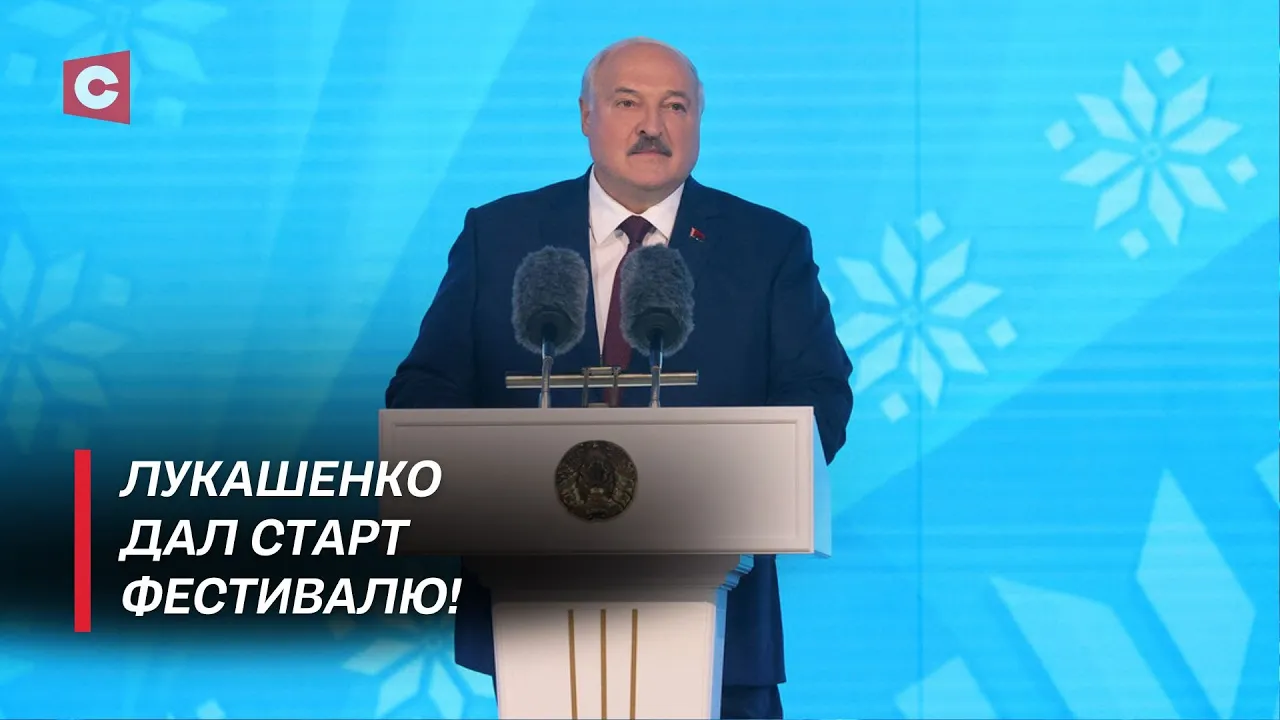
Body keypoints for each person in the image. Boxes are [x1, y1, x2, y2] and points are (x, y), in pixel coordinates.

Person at [386, 36, 853, 719]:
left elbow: (819, 395)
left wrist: (737, 477)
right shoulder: (501, 235)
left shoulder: (767, 246)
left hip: (720, 625)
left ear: (699, 119)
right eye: (628, 102)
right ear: (586, 115)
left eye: (676, 106)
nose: (652, 126)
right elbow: (427, 389)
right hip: (534, 608)